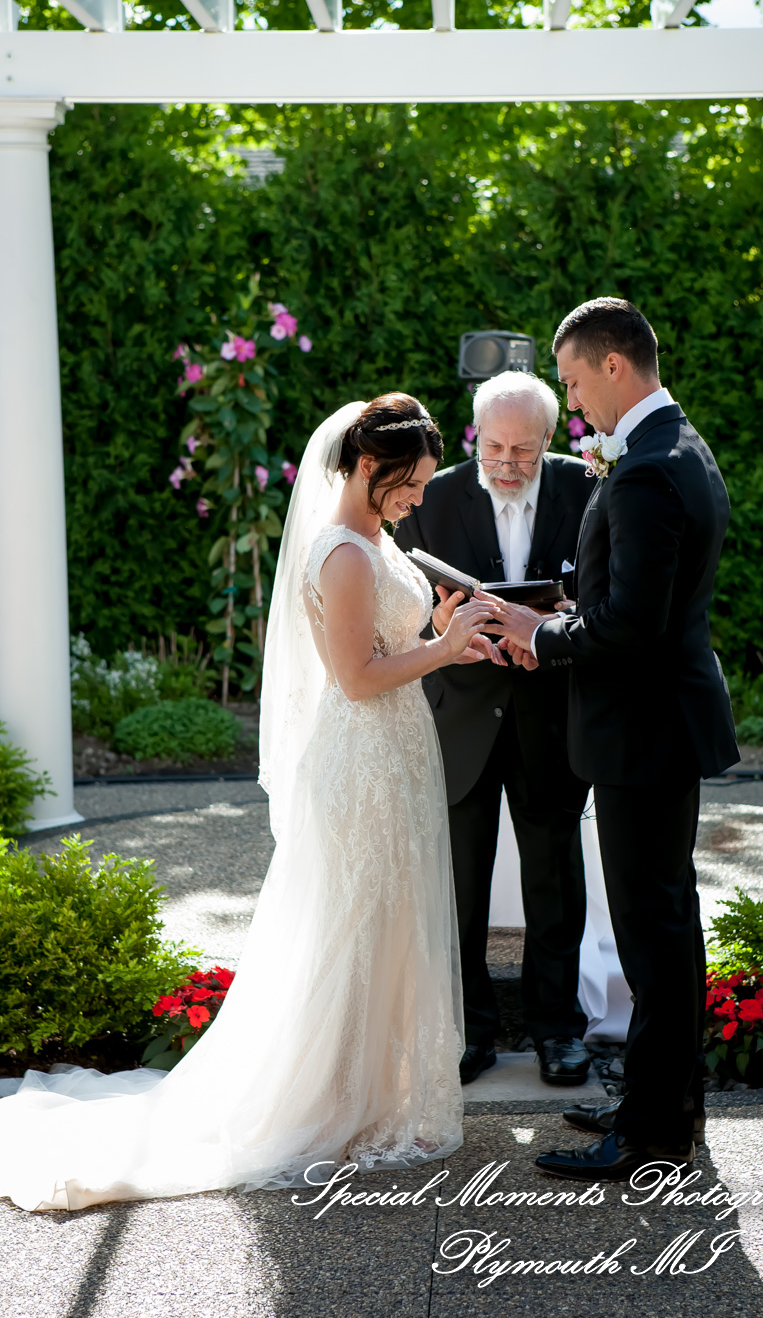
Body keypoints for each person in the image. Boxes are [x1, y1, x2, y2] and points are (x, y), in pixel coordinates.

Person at [0, 393, 494, 1211]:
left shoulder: (379, 538)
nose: (417, 498)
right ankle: (332, 1105)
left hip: (397, 754)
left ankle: (371, 1096)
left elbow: (387, 645)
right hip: (363, 761)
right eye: (408, 484)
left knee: (392, 919)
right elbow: (358, 678)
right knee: (355, 924)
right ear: (368, 466)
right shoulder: (341, 555)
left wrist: (436, 629)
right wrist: (441, 649)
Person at [479, 298, 740, 1181]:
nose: (575, 397)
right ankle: (663, 1103)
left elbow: (630, 624)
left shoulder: (644, 471)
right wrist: (555, 611)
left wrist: (538, 635)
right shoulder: (682, 447)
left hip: (643, 732)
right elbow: (640, 604)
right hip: (658, 724)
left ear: (615, 366)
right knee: (667, 925)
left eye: (576, 379)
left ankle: (656, 1132)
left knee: (653, 934)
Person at [395, 371, 597, 1086]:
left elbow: (605, 599)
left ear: (551, 439)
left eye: (524, 451)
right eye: (495, 448)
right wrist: (439, 623)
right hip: (461, 715)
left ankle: (558, 1030)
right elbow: (405, 608)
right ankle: (465, 1030)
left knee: (554, 881)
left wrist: (561, 618)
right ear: (475, 434)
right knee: (458, 883)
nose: (508, 463)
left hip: (550, 712)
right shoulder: (436, 495)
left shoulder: (585, 487)